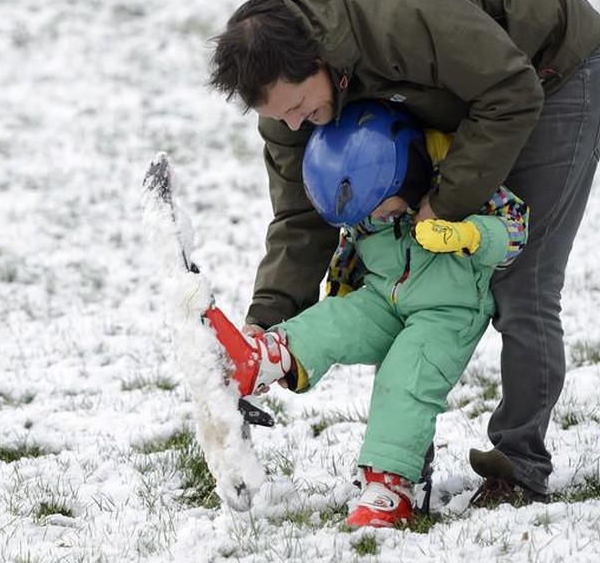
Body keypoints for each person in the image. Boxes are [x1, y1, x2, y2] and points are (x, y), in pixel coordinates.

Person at [207, 0, 600, 506]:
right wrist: (266, 326)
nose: (295, 124)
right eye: (280, 116)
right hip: (471, 98)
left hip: (553, 72)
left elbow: (509, 90)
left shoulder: (399, 14)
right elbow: (304, 219)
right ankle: (403, 468)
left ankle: (520, 465)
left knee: (521, 279)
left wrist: (444, 204)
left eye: (299, 106)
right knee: (394, 277)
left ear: (320, 61)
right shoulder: (290, 109)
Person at [206, 99, 528, 528]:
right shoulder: (368, 204)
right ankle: (269, 355)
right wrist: (339, 289)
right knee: (333, 321)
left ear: (403, 171)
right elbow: (348, 247)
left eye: (381, 207)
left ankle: (389, 484)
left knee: (404, 377)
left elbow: (516, 225)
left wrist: (469, 233)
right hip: (384, 296)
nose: (376, 217)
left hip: (448, 311)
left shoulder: (458, 177)